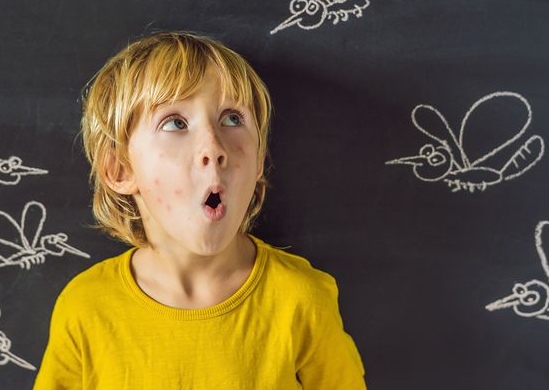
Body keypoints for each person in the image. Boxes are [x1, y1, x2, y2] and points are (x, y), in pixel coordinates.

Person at [33, 31, 365, 389]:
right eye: (175, 123)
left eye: (232, 119)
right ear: (120, 170)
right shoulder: (85, 309)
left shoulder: (302, 300)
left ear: (258, 162)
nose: (213, 147)